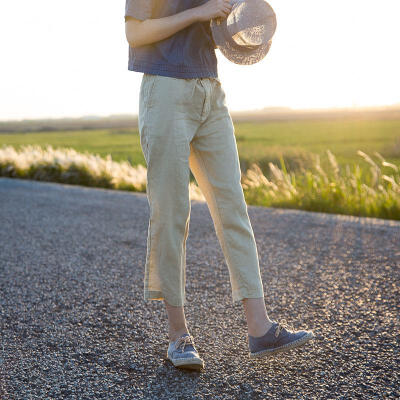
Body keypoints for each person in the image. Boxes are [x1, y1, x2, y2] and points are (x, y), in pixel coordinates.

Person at [124, 0, 314, 371]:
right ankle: (178, 337)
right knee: (172, 212)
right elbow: (135, 32)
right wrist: (196, 13)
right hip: (164, 91)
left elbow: (220, 31)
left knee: (233, 207)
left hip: (210, 89)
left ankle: (260, 329)